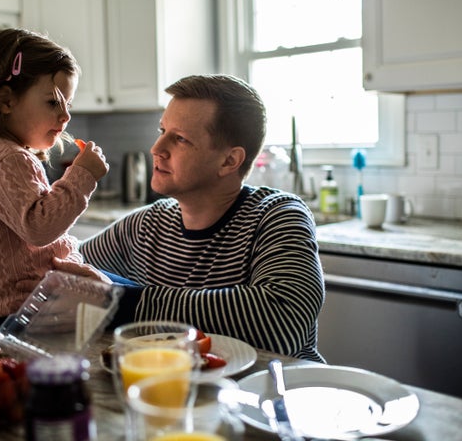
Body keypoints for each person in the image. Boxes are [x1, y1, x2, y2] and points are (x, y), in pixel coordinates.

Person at [79, 74, 325, 362]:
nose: (156, 149)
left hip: (274, 394)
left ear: (229, 161)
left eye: (180, 139)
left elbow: (284, 319)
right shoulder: (146, 224)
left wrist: (127, 301)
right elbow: (67, 266)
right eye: (162, 131)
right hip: (181, 395)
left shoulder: (277, 215)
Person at [0, 28, 110, 320]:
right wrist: (82, 175)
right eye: (53, 102)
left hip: (15, 308)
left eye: (68, 105)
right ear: (6, 102)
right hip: (34, 311)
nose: (66, 117)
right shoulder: (11, 158)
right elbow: (39, 228)